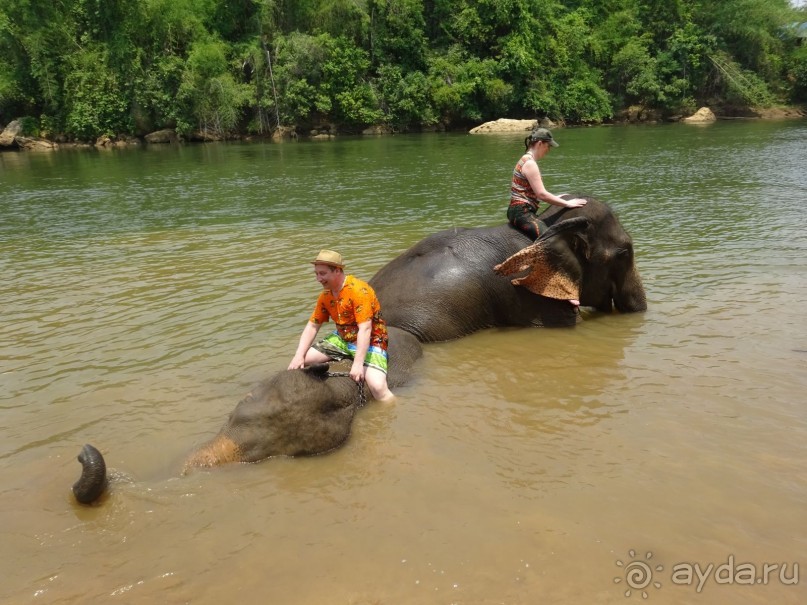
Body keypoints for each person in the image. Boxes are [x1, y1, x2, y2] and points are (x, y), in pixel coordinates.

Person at [288, 249, 395, 402]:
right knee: (304, 359)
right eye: (316, 274)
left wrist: (358, 364)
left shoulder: (359, 291)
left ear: (337, 270)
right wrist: (298, 355)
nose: (318, 278)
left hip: (371, 340)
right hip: (343, 338)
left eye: (322, 273)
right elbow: (312, 326)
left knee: (378, 388)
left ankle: (395, 412)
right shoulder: (326, 295)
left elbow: (365, 328)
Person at [507, 127, 587, 240]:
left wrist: (556, 198)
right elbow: (542, 194)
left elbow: (532, 193)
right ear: (540, 143)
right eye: (548, 146)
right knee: (552, 240)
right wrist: (567, 204)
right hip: (522, 213)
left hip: (517, 210)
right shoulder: (530, 163)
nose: (548, 150)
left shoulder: (525, 159)